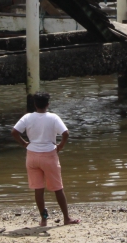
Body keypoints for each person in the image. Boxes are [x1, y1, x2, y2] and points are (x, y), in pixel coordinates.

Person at [11, 92, 78, 226]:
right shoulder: (53, 117)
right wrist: (60, 146)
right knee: (58, 188)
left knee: (38, 189)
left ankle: (44, 218)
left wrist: (24, 144)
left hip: (32, 156)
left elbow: (14, 132)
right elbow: (65, 133)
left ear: (35, 104)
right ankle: (66, 218)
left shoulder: (27, 117)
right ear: (48, 104)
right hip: (49, 154)